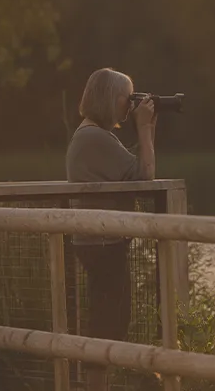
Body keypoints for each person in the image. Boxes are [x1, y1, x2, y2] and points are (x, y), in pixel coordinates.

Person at [65, 68, 157, 391]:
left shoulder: (91, 135)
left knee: (110, 319)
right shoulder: (95, 138)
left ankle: (101, 384)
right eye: (126, 98)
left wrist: (147, 128)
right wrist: (143, 128)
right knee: (109, 322)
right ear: (108, 98)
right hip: (102, 241)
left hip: (97, 238)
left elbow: (138, 173)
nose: (128, 106)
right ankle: (97, 386)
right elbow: (146, 175)